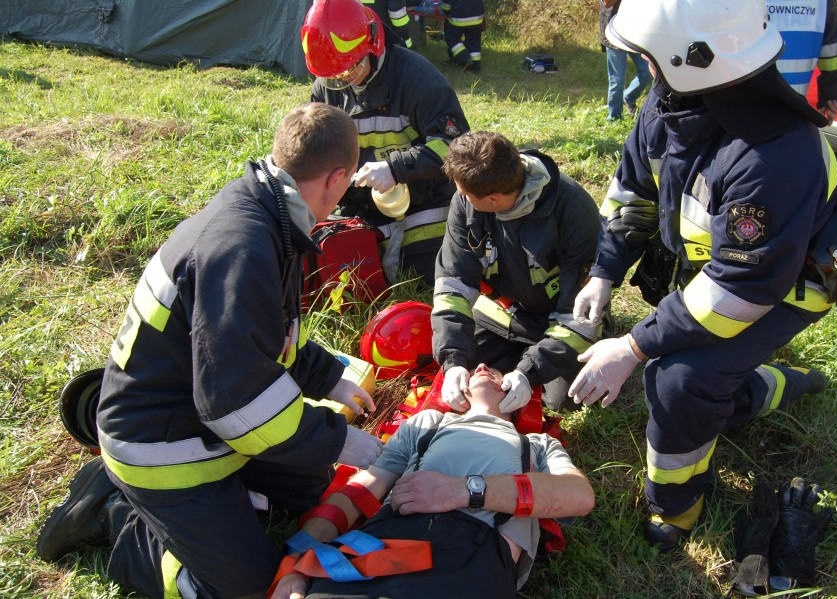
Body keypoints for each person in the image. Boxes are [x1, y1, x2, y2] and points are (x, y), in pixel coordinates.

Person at [36, 103, 386, 598]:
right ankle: (114, 514)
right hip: (160, 445)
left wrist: (329, 376)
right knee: (241, 587)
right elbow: (237, 406)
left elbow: (276, 335)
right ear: (337, 178)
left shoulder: (269, 211)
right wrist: (337, 438)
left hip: (192, 417)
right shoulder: (244, 247)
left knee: (308, 485)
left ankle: (218, 507)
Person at [569, 0, 837, 551]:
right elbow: (632, 195)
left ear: (688, 59)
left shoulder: (775, 154)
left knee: (681, 379)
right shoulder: (671, 103)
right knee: (700, 369)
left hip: (788, 283)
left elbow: (741, 289)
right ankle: (763, 386)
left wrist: (634, 346)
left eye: (648, 56)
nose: (644, 67)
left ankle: (679, 502)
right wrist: (603, 271)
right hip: (728, 274)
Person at [270, 364, 596, 599]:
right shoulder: (429, 422)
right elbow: (357, 492)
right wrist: (298, 559)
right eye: (474, 368)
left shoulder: (536, 444)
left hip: (468, 563)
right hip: (381, 545)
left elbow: (578, 496)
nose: (481, 366)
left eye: (496, 371)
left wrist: (462, 491)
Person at [431, 131, 603, 414]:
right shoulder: (465, 204)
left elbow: (579, 315)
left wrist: (528, 372)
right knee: (462, 372)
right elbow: (453, 283)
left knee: (564, 400)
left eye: (465, 194)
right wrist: (453, 361)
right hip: (502, 314)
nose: (460, 197)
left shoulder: (573, 209)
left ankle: (525, 360)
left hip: (561, 318)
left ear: (494, 199)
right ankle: (515, 358)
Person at [303, 0, 470, 286]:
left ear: (374, 44)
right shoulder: (328, 86)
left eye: (352, 67)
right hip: (359, 205)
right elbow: (316, 149)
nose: (345, 79)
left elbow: (458, 148)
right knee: (332, 273)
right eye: (335, 75)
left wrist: (396, 169)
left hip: (423, 202)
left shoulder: (417, 79)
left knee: (419, 278)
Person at [766, 0, 837, 122]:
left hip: (744, 105)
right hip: (790, 109)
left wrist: (833, 95)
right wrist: (833, 95)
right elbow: (835, 45)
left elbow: (835, 47)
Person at [600, 0, 652, 120]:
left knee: (648, 72)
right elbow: (607, 3)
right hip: (614, 34)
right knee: (617, 80)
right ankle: (614, 118)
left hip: (634, 34)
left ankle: (629, 97)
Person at [441, 0, 485, 72]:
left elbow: (446, 6)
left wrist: (448, 13)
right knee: (474, 42)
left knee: (451, 38)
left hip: (459, 17)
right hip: (477, 17)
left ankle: (465, 58)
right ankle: (476, 67)